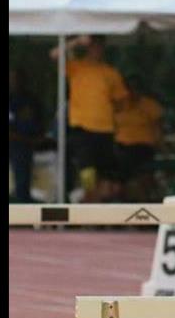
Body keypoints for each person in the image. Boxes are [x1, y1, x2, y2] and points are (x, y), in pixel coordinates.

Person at [50, 35, 129, 202]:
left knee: (108, 177)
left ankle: (97, 209)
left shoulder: (110, 73)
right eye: (93, 46)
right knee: (87, 173)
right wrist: (77, 41)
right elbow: (55, 54)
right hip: (82, 128)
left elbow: (122, 101)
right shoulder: (76, 67)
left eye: (100, 46)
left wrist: (107, 109)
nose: (97, 50)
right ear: (88, 47)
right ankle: (88, 205)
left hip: (105, 129)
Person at [113, 74, 163, 202]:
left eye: (135, 88)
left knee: (127, 160)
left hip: (142, 146)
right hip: (120, 145)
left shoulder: (150, 105)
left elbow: (157, 129)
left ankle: (122, 187)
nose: (132, 92)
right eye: (129, 88)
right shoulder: (118, 106)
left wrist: (159, 146)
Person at [9, 68, 46, 202]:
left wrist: (39, 139)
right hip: (17, 146)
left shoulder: (32, 100)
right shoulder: (10, 100)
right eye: (13, 79)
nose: (15, 82)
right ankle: (21, 208)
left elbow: (40, 125)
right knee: (21, 177)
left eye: (18, 78)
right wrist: (28, 140)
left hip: (32, 145)